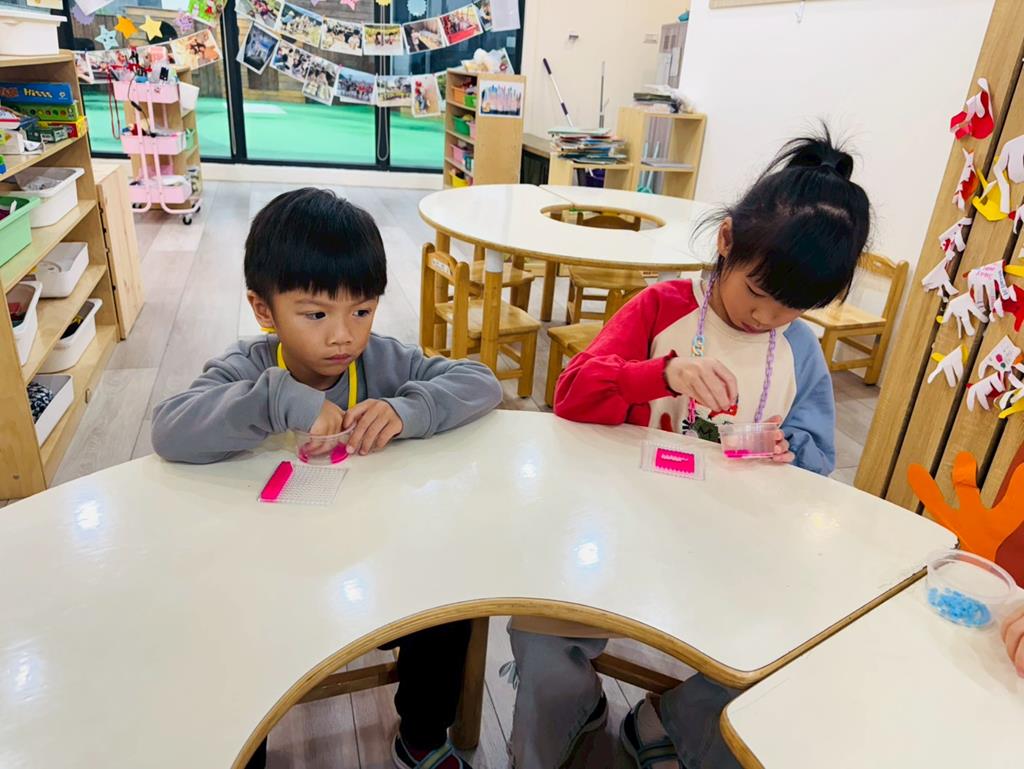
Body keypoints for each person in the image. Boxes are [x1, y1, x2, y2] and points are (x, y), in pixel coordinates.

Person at [508, 129, 872, 769]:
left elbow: (816, 460)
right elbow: (571, 395)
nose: (766, 318)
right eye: (757, 292)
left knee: (793, 646)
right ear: (726, 241)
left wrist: (790, 448)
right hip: (623, 525)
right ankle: (570, 715)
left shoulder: (799, 350)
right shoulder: (661, 308)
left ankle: (667, 720)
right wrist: (663, 373)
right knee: (539, 627)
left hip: (729, 544)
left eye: (791, 308)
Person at [152, 188, 502, 769]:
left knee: (449, 604)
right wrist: (277, 400)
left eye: (361, 311)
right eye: (316, 314)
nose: (343, 335)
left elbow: (480, 382)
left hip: (373, 565)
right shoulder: (250, 369)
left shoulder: (382, 362)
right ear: (264, 310)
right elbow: (170, 429)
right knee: (221, 645)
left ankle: (420, 736)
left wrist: (407, 409)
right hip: (267, 580)